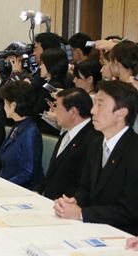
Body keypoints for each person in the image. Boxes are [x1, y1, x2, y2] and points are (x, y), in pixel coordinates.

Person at [54, 80, 138, 235]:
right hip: (92, 227)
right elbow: (85, 187)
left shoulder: (134, 150)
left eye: (100, 104)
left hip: (123, 235)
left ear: (121, 112)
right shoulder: (95, 144)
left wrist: (81, 214)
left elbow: (129, 210)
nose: (93, 110)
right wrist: (75, 201)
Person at [36, 88, 99, 200]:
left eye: (58, 108)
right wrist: (38, 190)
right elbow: (52, 172)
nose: (54, 112)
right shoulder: (66, 134)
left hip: (67, 206)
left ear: (73, 112)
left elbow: (85, 183)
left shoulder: (93, 140)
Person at [0, 81, 43, 189]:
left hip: (23, 189)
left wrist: (4, 185)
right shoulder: (18, 126)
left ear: (13, 105)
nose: (3, 107)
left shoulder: (30, 132)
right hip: (8, 184)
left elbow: (28, 172)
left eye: (5, 103)